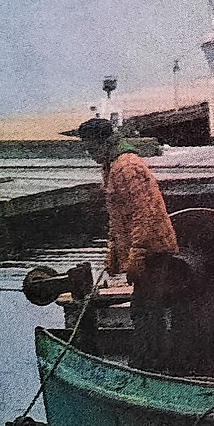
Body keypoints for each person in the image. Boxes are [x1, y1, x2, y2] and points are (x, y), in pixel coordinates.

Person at [76, 118, 179, 371]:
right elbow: (119, 214)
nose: (89, 154)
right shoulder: (110, 166)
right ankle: (147, 359)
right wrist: (113, 249)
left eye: (90, 148)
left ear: (102, 143)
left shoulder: (127, 166)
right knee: (142, 307)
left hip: (153, 248)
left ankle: (152, 364)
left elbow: (144, 212)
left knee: (146, 309)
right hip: (140, 247)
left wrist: (137, 254)